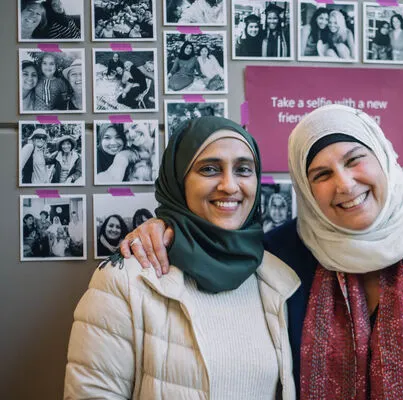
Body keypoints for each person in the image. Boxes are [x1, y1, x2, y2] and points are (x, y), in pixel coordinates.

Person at [122, 105, 403, 399]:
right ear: (306, 191)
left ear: (383, 157)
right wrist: (164, 226)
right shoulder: (280, 255)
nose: (344, 185)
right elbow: (216, 245)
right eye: (321, 175)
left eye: (355, 159)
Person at [65, 116, 299, 399]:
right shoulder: (124, 279)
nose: (230, 185)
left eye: (243, 170)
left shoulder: (277, 280)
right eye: (210, 169)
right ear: (178, 180)